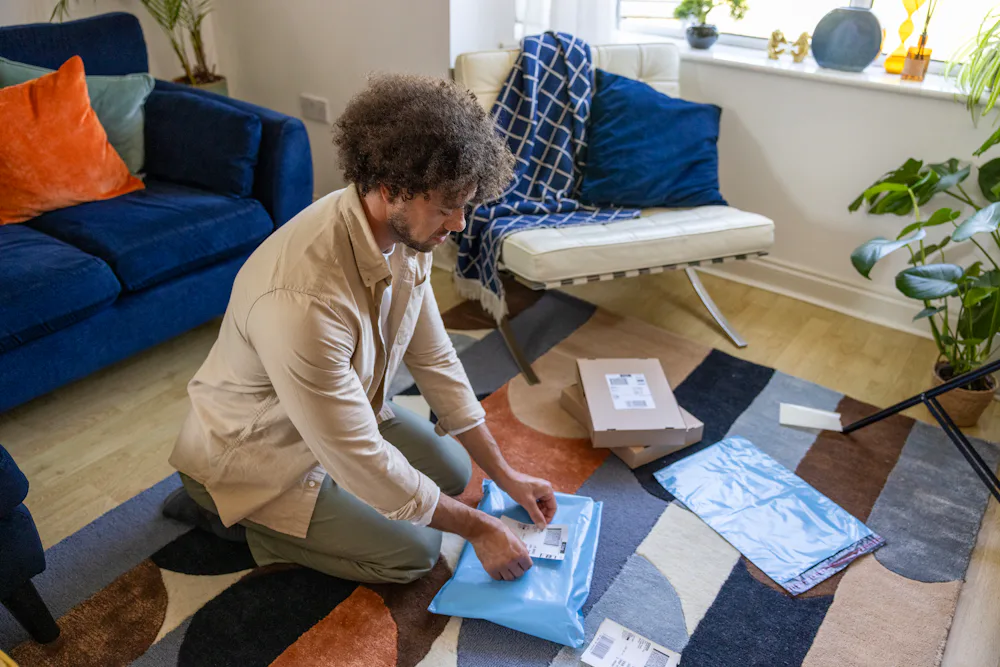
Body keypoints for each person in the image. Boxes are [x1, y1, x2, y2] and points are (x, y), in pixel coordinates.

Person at [163, 74, 557, 585]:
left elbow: (436, 361)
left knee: (455, 471)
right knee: (414, 552)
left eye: (465, 205)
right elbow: (360, 459)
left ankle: (331, 509)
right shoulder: (302, 301)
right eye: (446, 207)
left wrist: (506, 474)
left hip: (336, 419)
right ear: (392, 188)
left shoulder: (403, 236)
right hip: (255, 457)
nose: (458, 224)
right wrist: (480, 527)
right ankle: (233, 518)